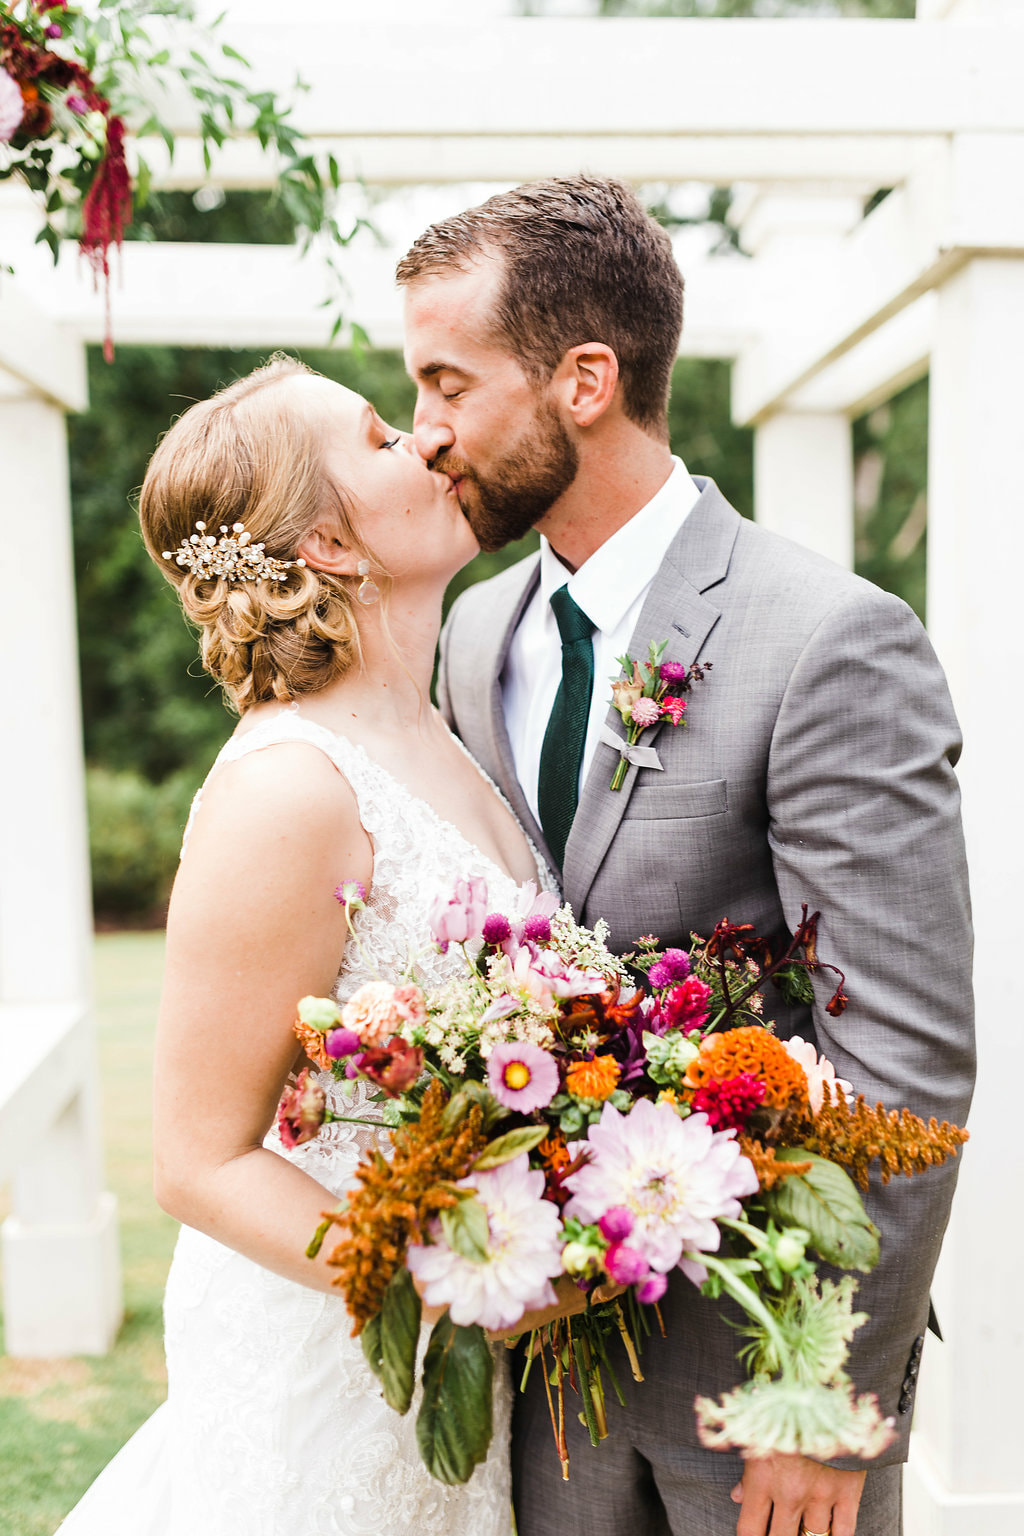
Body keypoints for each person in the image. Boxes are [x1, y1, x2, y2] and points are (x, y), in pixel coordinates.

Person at [399, 175, 975, 1536]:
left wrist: (819, 1395)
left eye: (447, 383)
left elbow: (907, 1056)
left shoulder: (828, 637)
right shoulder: (477, 633)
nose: (422, 435)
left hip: (753, 1368)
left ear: (585, 379)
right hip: (544, 1365)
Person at [54, 355, 560, 1536]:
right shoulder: (289, 789)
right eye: (384, 436)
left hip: (449, 1376)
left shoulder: (444, 731)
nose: (430, 442)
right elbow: (196, 1161)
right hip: (327, 1363)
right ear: (329, 547)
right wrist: (455, 1280)